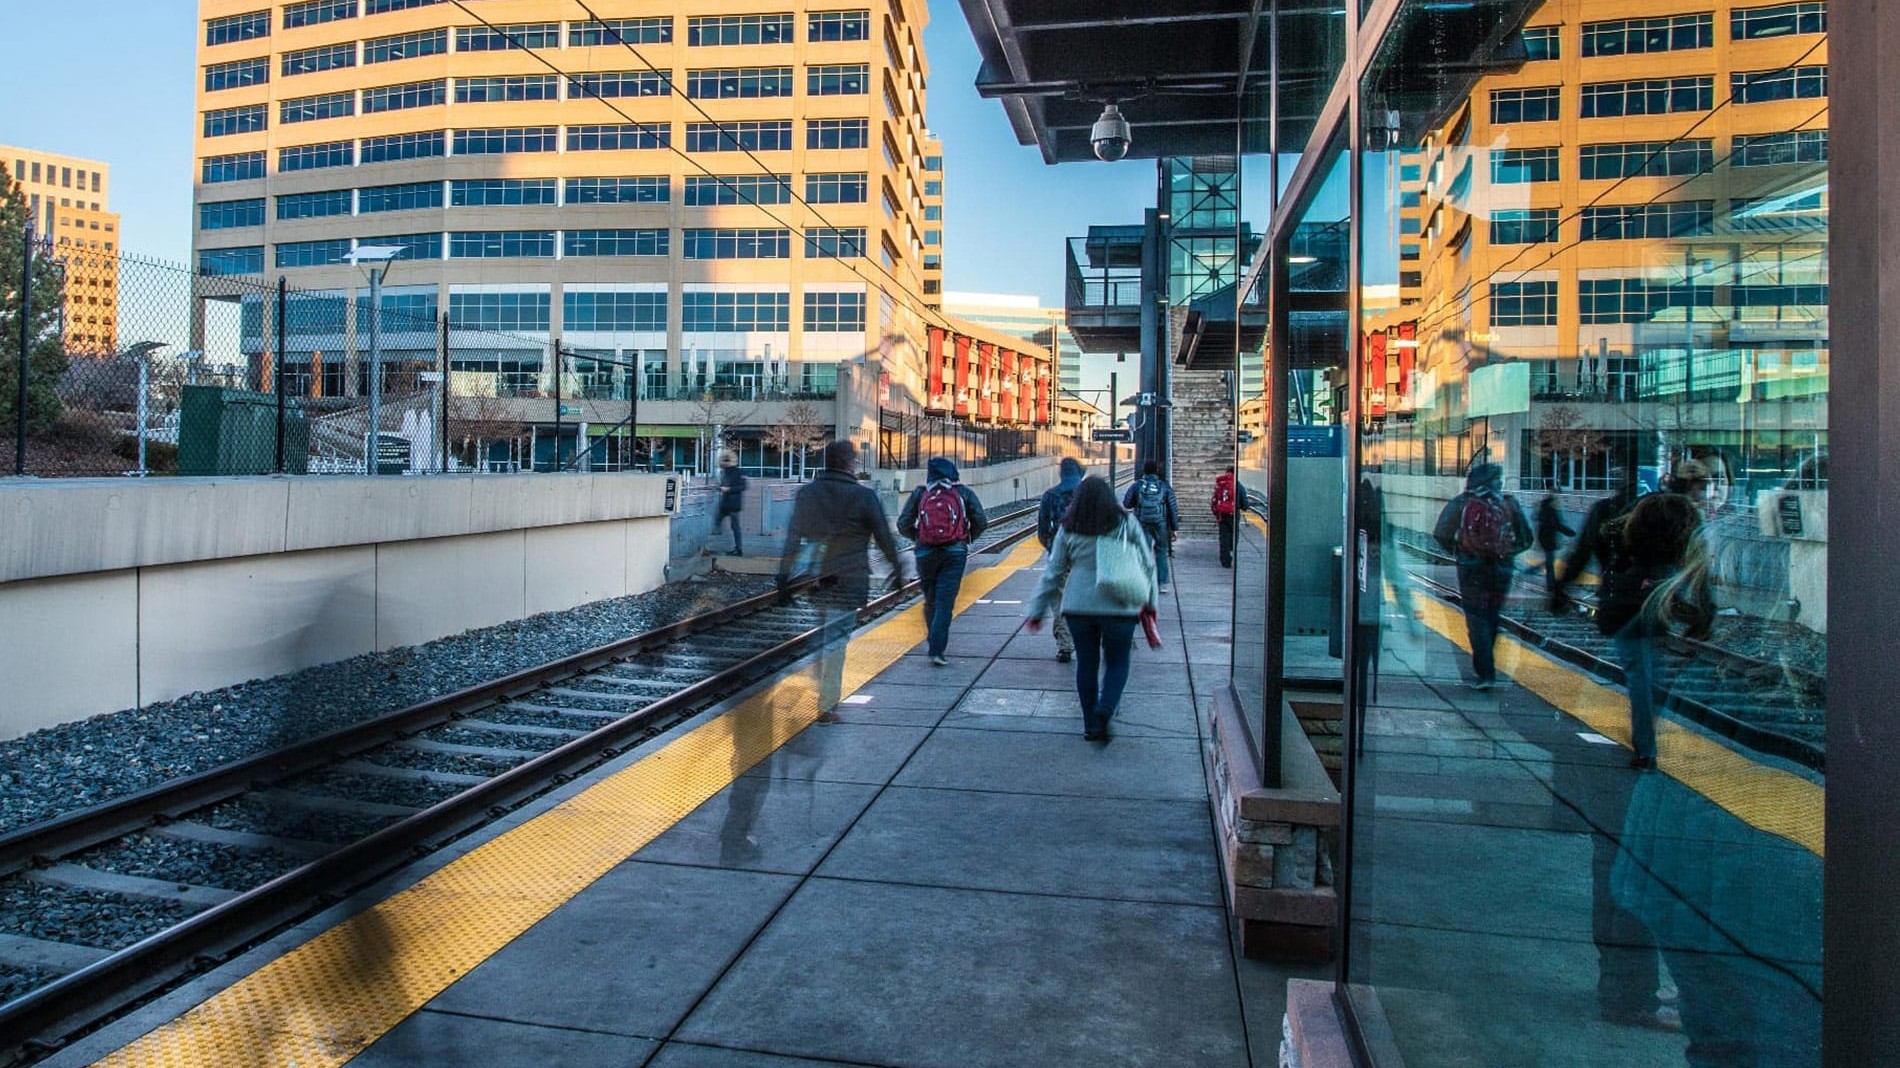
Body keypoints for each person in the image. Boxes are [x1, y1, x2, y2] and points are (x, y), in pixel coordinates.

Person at [1026, 476, 1158, 742]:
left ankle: (1089, 725)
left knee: (1086, 665)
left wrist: (1037, 609)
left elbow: (1053, 572)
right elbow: (1147, 564)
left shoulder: (1069, 527)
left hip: (1078, 607)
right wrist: (1151, 603)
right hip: (1120, 605)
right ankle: (1105, 710)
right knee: (1117, 662)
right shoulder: (1125, 522)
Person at [777, 440, 904, 712]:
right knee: (835, 640)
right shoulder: (864, 497)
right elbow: (884, 539)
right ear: (849, 464)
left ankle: (820, 689)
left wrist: (783, 577)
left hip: (816, 579)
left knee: (824, 633)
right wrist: (898, 570)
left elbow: (793, 538)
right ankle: (826, 704)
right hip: (849, 579)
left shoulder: (807, 494)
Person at [1595, 491, 1713, 769]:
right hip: (1653, 609)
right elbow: (1700, 575)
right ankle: (1647, 741)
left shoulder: (1640, 519)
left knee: (1641, 679)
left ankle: (1646, 748)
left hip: (1629, 613)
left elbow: (1607, 543)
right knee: (1649, 677)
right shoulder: (1684, 522)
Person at [1432, 463, 1532, 689]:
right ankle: (1487, 667)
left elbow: (1441, 533)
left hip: (1471, 569)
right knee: (1492, 618)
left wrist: (1462, 552)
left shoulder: (1462, 501)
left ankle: (1486, 673)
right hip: (1502, 570)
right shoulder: (1508, 503)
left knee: (1477, 620)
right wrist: (1505, 553)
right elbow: (1527, 539)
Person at [896, 457, 989, 666]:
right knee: (945, 603)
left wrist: (918, 537)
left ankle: (933, 640)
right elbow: (981, 522)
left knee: (931, 600)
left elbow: (903, 524)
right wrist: (967, 538)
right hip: (955, 552)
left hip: (925, 553)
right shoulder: (963, 492)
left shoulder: (921, 493)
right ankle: (937, 649)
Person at [1552, 474, 1643, 612]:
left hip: (1614, 591)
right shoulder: (1657, 510)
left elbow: (1582, 553)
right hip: (1651, 596)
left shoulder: (1605, 509)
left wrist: (1561, 587)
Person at [1036, 457, 1087, 663]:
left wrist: (1050, 546)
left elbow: (1042, 529)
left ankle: (1064, 645)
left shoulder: (1050, 495)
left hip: (1059, 556)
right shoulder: (1088, 494)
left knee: (1059, 601)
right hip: (1085, 555)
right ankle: (1085, 640)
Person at [1122, 461, 1179, 592]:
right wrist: (1174, 528)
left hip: (1142, 522)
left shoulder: (1137, 485)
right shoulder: (1164, 486)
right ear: (1157, 471)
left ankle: (1144, 581)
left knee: (1143, 552)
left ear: (1144, 471)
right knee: (1161, 552)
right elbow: (1172, 508)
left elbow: (1126, 503)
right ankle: (1162, 583)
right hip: (1161, 523)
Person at [1532, 493, 1573, 591]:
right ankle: (1550, 585)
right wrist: (1570, 533)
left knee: (1549, 561)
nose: (1558, 503)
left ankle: (1535, 573)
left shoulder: (1547, 511)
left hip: (1547, 539)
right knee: (1550, 562)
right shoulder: (1549, 512)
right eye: (1556, 501)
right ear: (1552, 502)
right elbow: (1556, 525)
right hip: (1547, 540)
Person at [715, 452, 748, 556]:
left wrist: (728, 489)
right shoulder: (724, 472)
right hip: (725, 503)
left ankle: (738, 549)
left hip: (733, 504)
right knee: (717, 522)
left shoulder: (739, 472)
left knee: (735, 527)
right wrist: (720, 487)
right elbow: (723, 485)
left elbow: (743, 486)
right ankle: (723, 543)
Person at [1212, 467, 1240, 568]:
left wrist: (1216, 512)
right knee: (1233, 536)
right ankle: (1231, 551)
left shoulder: (1220, 484)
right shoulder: (1237, 484)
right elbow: (1244, 503)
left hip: (1222, 515)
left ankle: (1225, 560)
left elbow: (1214, 500)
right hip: (1233, 515)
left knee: (1224, 538)